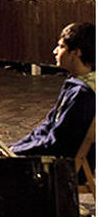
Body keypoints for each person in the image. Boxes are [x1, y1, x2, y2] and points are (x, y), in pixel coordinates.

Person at [11, 22, 95, 161]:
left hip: (61, 167)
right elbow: (49, 125)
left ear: (77, 52)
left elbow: (56, 143)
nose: (55, 51)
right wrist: (16, 147)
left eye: (62, 46)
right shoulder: (78, 84)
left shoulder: (82, 93)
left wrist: (15, 151)